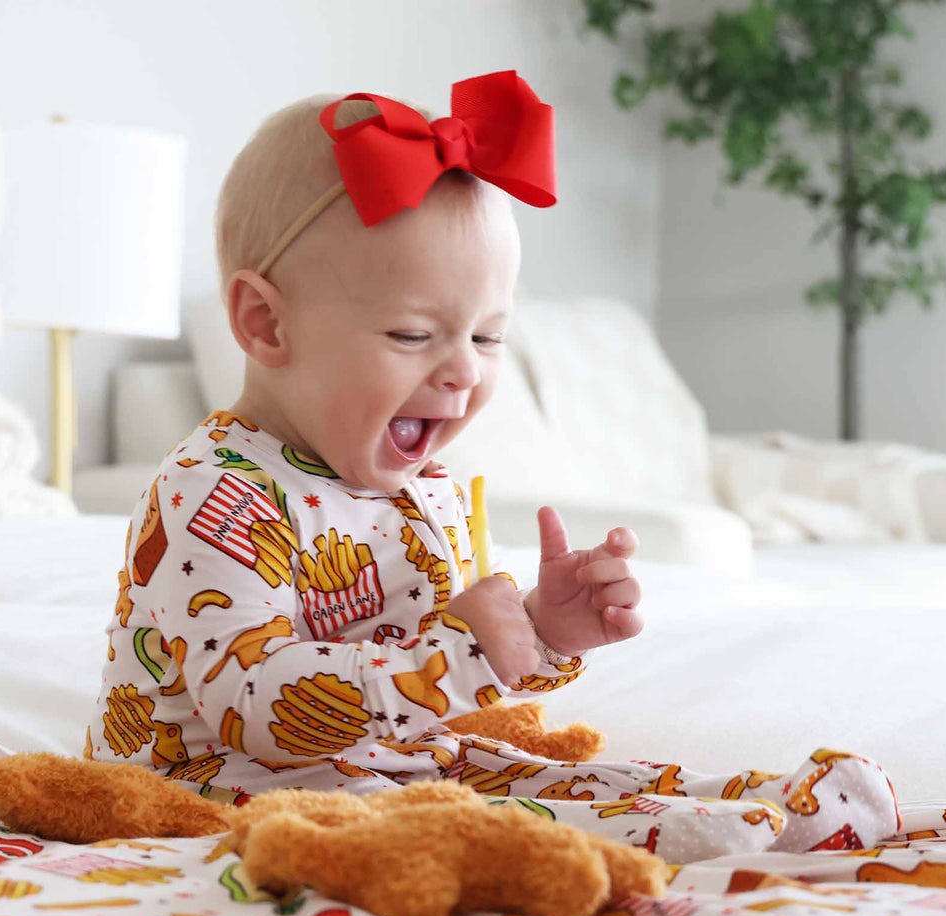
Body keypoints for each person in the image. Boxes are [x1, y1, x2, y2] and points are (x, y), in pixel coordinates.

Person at [88, 72, 899, 863]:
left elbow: (448, 665)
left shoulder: (423, 488)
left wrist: (541, 629)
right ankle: (688, 841)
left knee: (542, 777)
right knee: (463, 826)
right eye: (413, 335)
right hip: (218, 786)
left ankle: (754, 803)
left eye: (487, 337)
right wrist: (462, 649)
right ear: (266, 324)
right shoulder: (219, 492)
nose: (466, 374)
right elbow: (256, 710)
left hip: (388, 759)